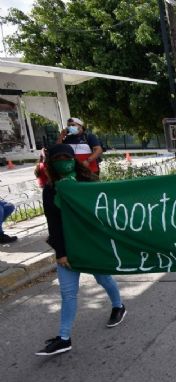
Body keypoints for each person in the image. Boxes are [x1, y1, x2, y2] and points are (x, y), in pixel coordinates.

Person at [36, 144, 126, 356]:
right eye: (57, 159)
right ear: (51, 163)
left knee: (103, 280)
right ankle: (64, 338)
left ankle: (118, 306)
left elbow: (103, 212)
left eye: (66, 157)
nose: (63, 162)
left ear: (73, 159)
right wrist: (61, 252)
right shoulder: (50, 190)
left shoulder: (88, 183)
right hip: (67, 247)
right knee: (68, 294)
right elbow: (53, 224)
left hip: (90, 245)